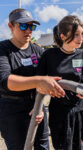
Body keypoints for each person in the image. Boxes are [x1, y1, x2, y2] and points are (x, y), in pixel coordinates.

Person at [0, 8, 65, 150]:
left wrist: (39, 107)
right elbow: (6, 81)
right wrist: (39, 81)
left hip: (36, 107)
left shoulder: (38, 51)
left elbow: (53, 75)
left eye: (31, 26)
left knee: (43, 146)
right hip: (12, 111)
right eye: (23, 25)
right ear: (10, 26)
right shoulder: (3, 49)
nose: (28, 30)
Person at [37, 15, 83, 150]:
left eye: (82, 34)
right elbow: (38, 82)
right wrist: (38, 107)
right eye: (76, 34)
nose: (81, 38)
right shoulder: (49, 55)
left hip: (81, 108)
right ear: (63, 36)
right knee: (64, 146)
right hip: (60, 112)